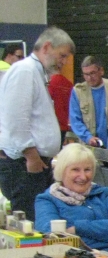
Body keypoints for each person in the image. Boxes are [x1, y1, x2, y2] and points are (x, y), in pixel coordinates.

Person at [0, 27, 74, 219]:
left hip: (33, 163)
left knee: (40, 220)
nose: (64, 62)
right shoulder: (24, 71)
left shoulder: (36, 72)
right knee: (29, 222)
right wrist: (31, 156)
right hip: (24, 164)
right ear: (47, 47)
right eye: (62, 55)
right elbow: (16, 119)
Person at [69, 56, 108, 147]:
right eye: (86, 74)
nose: (89, 78)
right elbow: (75, 120)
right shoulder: (77, 92)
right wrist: (88, 137)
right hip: (90, 144)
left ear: (101, 71)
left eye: (92, 73)